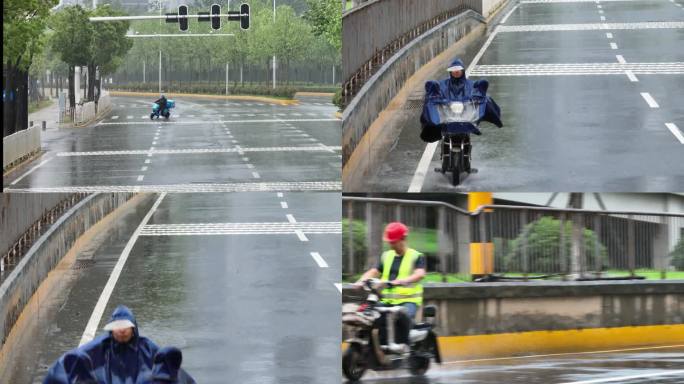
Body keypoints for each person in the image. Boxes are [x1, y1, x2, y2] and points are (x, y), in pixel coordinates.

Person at [354, 222, 426, 351]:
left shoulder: (416, 256)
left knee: (402, 316)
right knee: (369, 314)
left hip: (409, 302)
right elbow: (374, 271)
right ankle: (380, 347)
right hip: (388, 301)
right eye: (389, 241)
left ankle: (405, 348)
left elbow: (420, 274)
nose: (390, 244)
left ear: (403, 239)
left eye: (393, 241)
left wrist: (403, 280)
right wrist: (361, 280)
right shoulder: (386, 256)